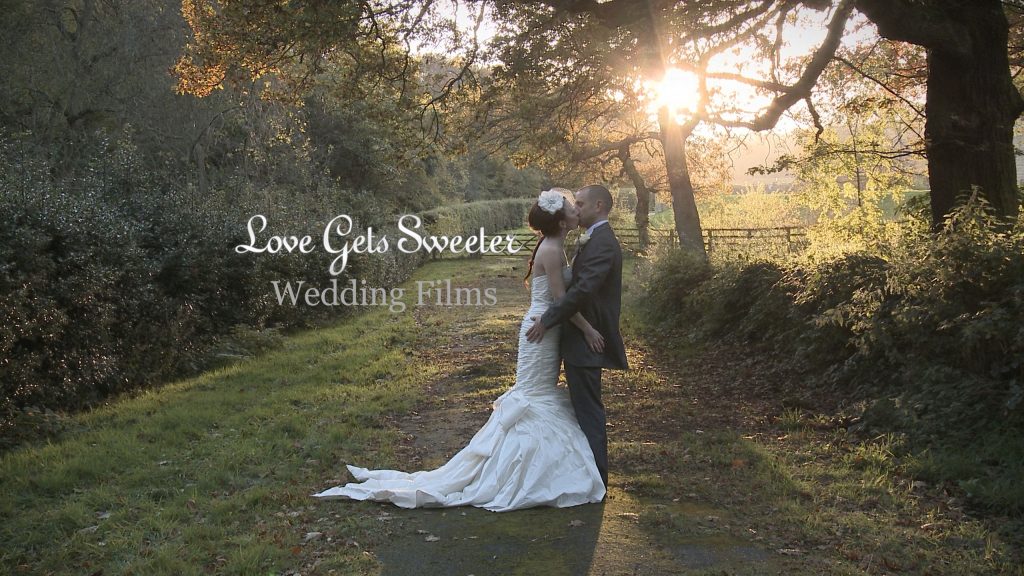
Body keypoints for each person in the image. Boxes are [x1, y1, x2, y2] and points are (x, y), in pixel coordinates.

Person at [312, 188, 606, 512]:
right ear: (563, 222)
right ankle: (518, 470)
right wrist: (588, 328)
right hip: (541, 330)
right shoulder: (551, 250)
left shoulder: (556, 245)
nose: (576, 210)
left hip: (545, 329)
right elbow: (562, 300)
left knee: (537, 393)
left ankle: (539, 465)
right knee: (532, 396)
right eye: (571, 207)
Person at [525, 184, 629, 489]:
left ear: (599, 206)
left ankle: (596, 479)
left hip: (586, 339)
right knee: (579, 407)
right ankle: (582, 474)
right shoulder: (591, 239)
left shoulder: (603, 243)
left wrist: (549, 318)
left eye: (580, 204)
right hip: (574, 334)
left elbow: (583, 290)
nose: (576, 209)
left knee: (587, 409)